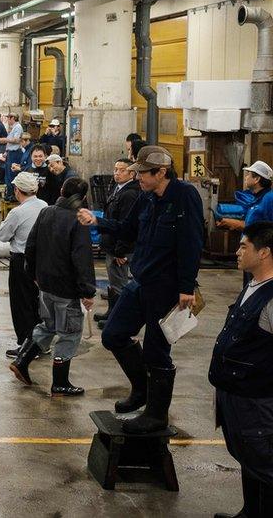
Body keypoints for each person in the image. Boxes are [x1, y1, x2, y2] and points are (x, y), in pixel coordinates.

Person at [78, 146, 204, 433]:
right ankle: (141, 389)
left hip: (167, 288)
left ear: (161, 172)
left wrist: (187, 286)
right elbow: (127, 228)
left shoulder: (184, 196)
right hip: (141, 282)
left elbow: (192, 242)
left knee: (157, 352)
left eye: (143, 174)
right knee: (113, 335)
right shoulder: (146, 198)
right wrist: (98, 220)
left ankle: (156, 414)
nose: (139, 179)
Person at [209, 221, 273, 518]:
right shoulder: (252, 284)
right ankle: (250, 512)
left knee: (263, 462)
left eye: (243, 246)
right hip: (235, 394)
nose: (236, 251)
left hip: (256, 400)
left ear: (264, 253)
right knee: (248, 457)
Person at [10, 177, 95, 396]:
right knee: (69, 333)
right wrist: (87, 290)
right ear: (83, 197)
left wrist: (33, 274)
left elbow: (31, 244)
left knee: (47, 325)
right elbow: (82, 258)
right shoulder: (79, 219)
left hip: (45, 284)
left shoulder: (46, 212)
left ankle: (22, 361)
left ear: (61, 191)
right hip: (66, 288)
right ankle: (60, 382)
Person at [0, 172, 48, 357]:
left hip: (22, 261)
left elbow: (3, 236)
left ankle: (27, 346)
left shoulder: (17, 212)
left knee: (22, 304)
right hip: (41, 260)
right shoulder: (44, 206)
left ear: (17, 190)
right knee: (37, 303)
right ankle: (41, 343)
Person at [94, 159, 141, 327]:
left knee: (120, 285)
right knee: (113, 283)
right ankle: (112, 312)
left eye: (121, 170)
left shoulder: (130, 194)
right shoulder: (118, 188)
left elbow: (126, 226)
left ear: (132, 174)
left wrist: (121, 251)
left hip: (119, 248)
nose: (117, 173)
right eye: (115, 169)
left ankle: (118, 320)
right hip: (111, 245)